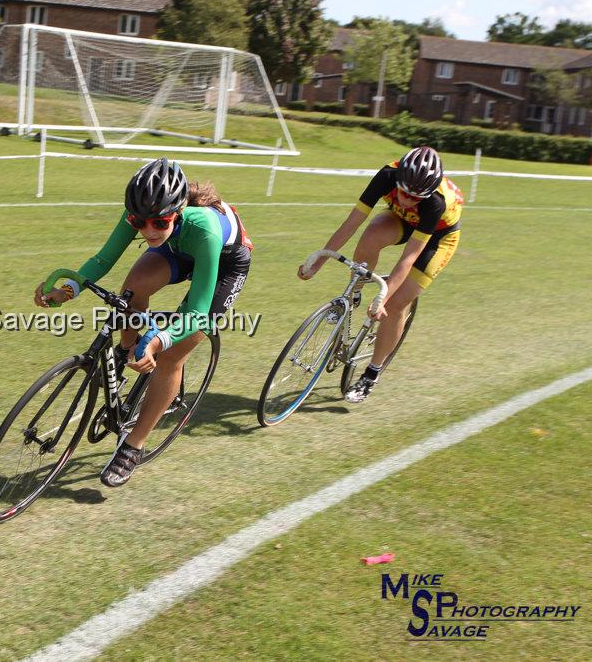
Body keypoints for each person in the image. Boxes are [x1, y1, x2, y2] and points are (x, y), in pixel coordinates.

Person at [34, 158, 252, 487]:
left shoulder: (204, 229)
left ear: (177, 212)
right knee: (132, 287)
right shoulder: (144, 215)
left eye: (159, 222)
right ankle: (124, 354)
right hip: (178, 248)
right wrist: (70, 288)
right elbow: (102, 259)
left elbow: (196, 313)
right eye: (139, 222)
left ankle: (132, 446)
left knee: (173, 353)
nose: (148, 230)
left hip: (223, 262)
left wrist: (158, 340)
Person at [299, 146, 463, 403]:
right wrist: (320, 259)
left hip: (437, 239)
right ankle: (354, 294)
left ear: (427, 194)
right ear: (398, 180)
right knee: (371, 234)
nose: (408, 200)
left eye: (415, 198)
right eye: (404, 193)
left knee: (397, 304)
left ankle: (371, 374)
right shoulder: (387, 175)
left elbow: (408, 258)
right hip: (401, 220)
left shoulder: (435, 204)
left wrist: (383, 300)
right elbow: (352, 223)